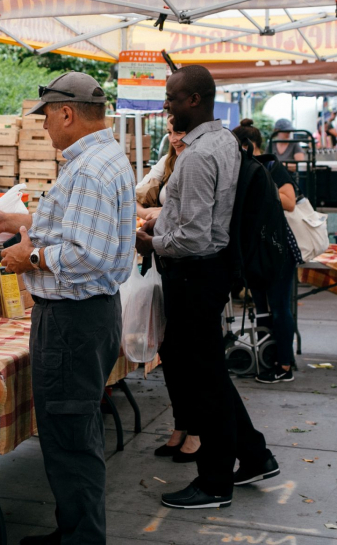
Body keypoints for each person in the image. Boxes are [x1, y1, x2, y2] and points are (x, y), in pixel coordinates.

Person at [0, 72, 136, 544]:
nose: (43, 129)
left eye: (46, 119)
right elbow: (70, 224)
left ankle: (81, 539)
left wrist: (28, 257)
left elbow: (86, 254)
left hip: (73, 320)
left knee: (71, 437)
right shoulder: (99, 157)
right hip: (84, 317)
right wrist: (13, 219)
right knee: (69, 433)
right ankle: (74, 532)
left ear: (66, 113)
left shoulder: (91, 168)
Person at [135, 65, 280, 510]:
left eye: (172, 98)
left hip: (194, 274)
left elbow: (195, 237)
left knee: (204, 381)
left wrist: (150, 239)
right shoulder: (221, 141)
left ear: (194, 100)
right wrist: (165, 220)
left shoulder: (199, 155)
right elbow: (202, 217)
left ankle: (215, 483)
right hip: (206, 272)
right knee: (208, 374)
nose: (166, 106)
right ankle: (255, 455)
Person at [137, 116, 200, 463]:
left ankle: (197, 432)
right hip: (167, 268)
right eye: (172, 132)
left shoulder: (200, 160)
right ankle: (181, 425)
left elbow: (190, 219)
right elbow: (136, 199)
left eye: (181, 131)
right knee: (172, 351)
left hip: (191, 271)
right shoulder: (169, 162)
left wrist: (160, 215)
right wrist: (156, 212)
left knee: (188, 353)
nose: (175, 138)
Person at [232, 118, 301, 384]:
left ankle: (284, 366)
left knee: (280, 306)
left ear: (248, 145)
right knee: (261, 306)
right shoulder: (242, 169)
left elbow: (290, 202)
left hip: (277, 248)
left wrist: (260, 185)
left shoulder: (272, 166)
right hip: (255, 249)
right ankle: (267, 357)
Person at [136, 115, 185, 221]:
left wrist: (165, 212)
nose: (172, 139)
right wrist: (144, 213)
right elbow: (131, 197)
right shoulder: (167, 161)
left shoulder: (200, 163)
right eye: (169, 132)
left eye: (179, 132)